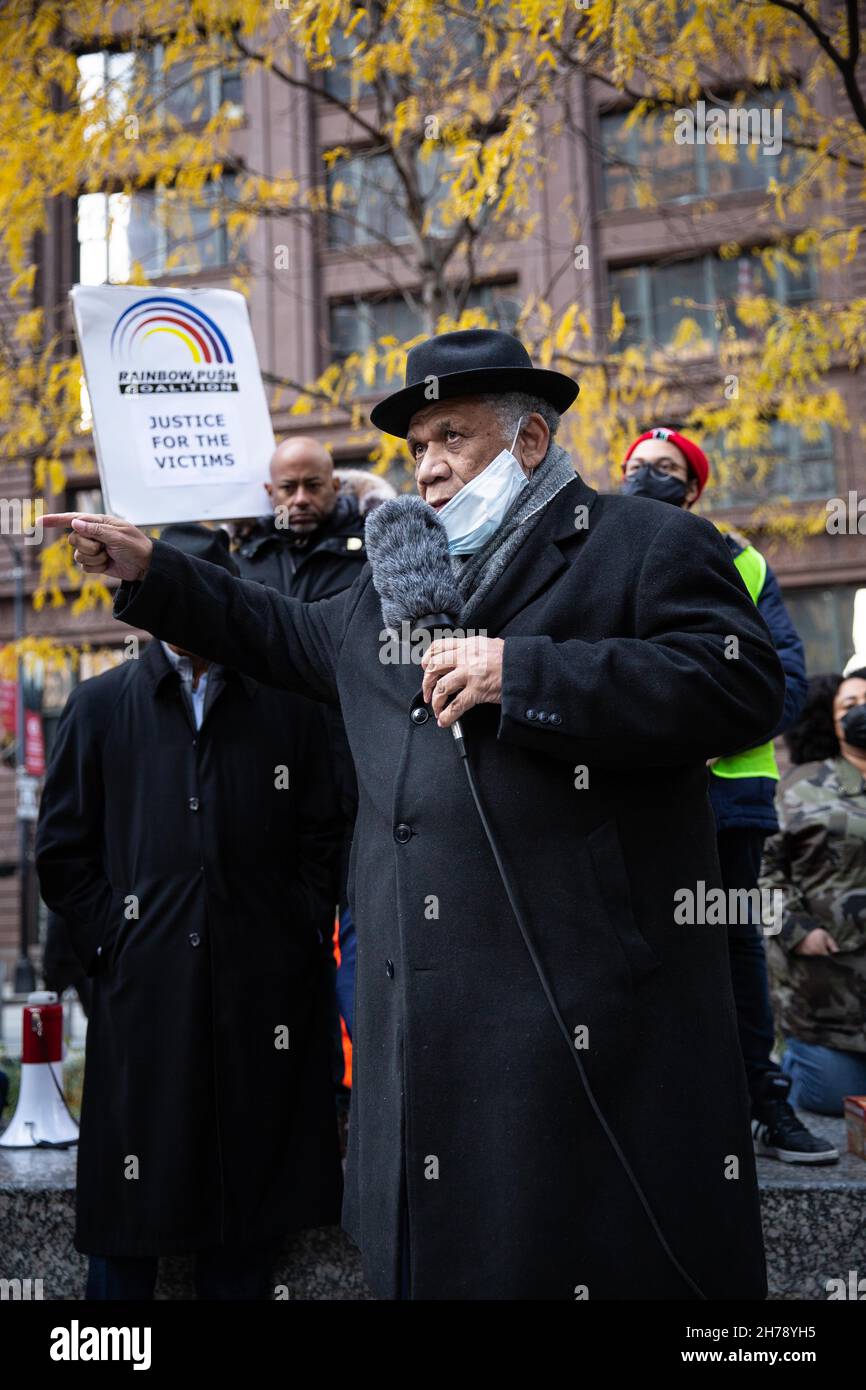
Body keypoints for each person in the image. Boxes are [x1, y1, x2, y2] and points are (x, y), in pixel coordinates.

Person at [44, 328, 785, 1301]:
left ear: (527, 443)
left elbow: (734, 684)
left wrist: (523, 671)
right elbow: (267, 626)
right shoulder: (388, 593)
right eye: (416, 447)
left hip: (580, 1037)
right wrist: (152, 571)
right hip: (421, 1039)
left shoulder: (644, 545)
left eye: (450, 438)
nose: (427, 468)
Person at [35, 524, 344, 1300]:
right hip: (146, 996)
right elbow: (63, 855)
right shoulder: (100, 707)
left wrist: (294, 929)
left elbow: (328, 832)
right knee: (128, 1222)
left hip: (263, 996)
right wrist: (119, 942)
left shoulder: (291, 705)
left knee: (246, 1221)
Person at [621, 427, 835, 1164]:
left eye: (665, 468)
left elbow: (786, 679)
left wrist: (710, 729)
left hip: (728, 798)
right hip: (633, 794)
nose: (647, 476)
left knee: (734, 946)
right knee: (638, 941)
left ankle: (764, 1102)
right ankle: (659, 1105)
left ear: (694, 488)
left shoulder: (742, 559)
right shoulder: (599, 551)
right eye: (636, 467)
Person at [233, 438, 369, 1079]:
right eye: (288, 488)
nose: (301, 499)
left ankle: (361, 1089)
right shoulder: (242, 562)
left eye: (313, 485)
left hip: (359, 781)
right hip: (272, 789)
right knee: (283, 949)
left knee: (366, 949)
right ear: (268, 493)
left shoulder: (373, 551)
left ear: (336, 486)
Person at [758, 669, 866, 1115]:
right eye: (850, 703)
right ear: (832, 719)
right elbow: (757, 877)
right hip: (828, 1002)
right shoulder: (797, 788)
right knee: (830, 1102)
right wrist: (797, 930)